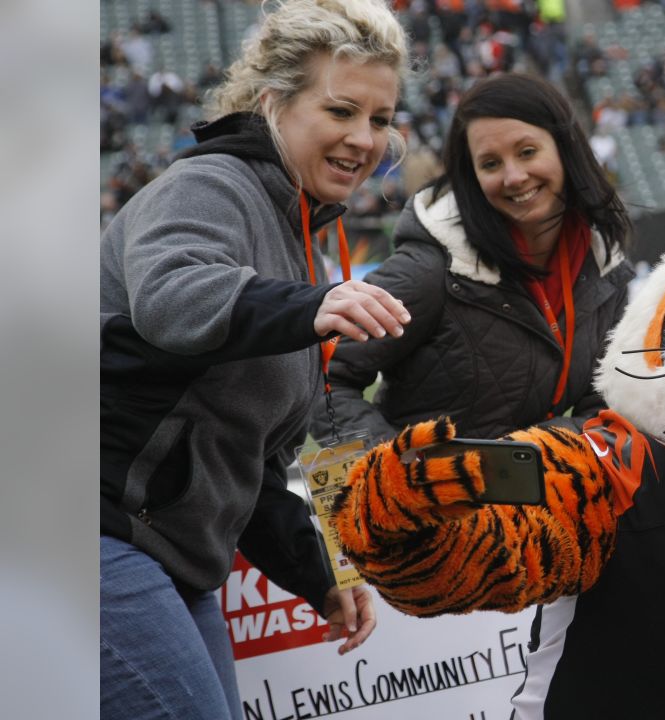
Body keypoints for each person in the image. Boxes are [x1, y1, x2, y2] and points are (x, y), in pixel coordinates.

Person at [100, 2, 412, 718]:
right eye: (340, 110)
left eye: (380, 118)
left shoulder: (298, 232)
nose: (364, 138)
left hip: (170, 559)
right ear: (272, 103)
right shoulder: (210, 184)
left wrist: (318, 577)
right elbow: (171, 298)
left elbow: (250, 459)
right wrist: (309, 306)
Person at [314, 72, 634, 445]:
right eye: (491, 164)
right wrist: (401, 473)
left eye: (527, 152)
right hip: (423, 500)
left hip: (532, 498)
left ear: (565, 149)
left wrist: (545, 451)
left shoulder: (605, 272)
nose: (513, 177)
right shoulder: (432, 267)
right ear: (472, 177)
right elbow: (323, 377)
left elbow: (606, 408)